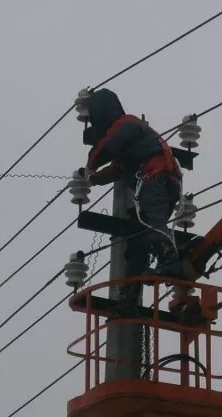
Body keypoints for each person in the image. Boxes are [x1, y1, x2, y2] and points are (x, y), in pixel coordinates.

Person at [83, 89, 183, 304]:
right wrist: (95, 179)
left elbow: (105, 148)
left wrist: (90, 165)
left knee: (155, 223)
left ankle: (169, 257)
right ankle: (130, 293)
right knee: (139, 238)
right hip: (162, 182)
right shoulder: (132, 146)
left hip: (156, 179)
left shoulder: (126, 124)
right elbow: (116, 170)